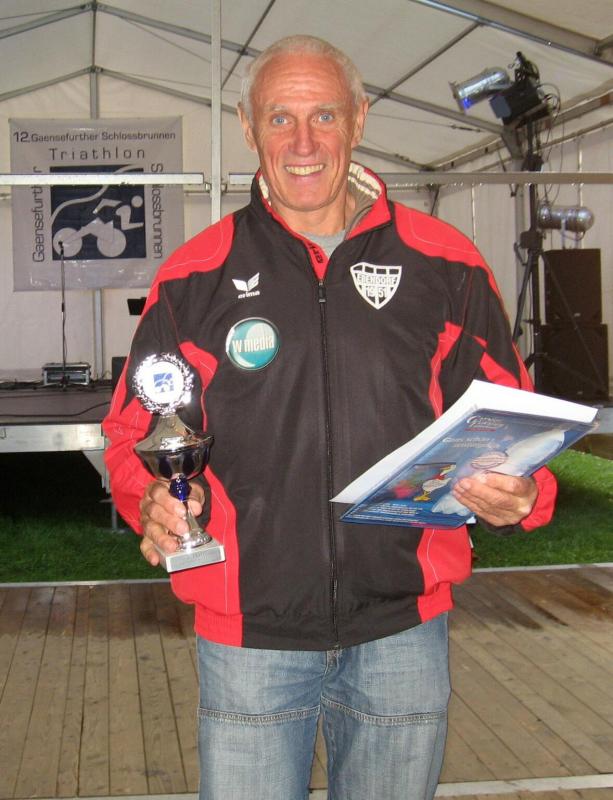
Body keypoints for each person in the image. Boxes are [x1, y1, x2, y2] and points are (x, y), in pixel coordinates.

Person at [103, 35, 557, 800]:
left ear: (359, 118)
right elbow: (134, 435)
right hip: (248, 635)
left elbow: (514, 420)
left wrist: (525, 494)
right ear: (248, 128)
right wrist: (150, 497)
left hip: (403, 630)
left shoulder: (445, 262)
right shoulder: (195, 274)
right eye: (280, 118)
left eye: (324, 115)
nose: (304, 143)